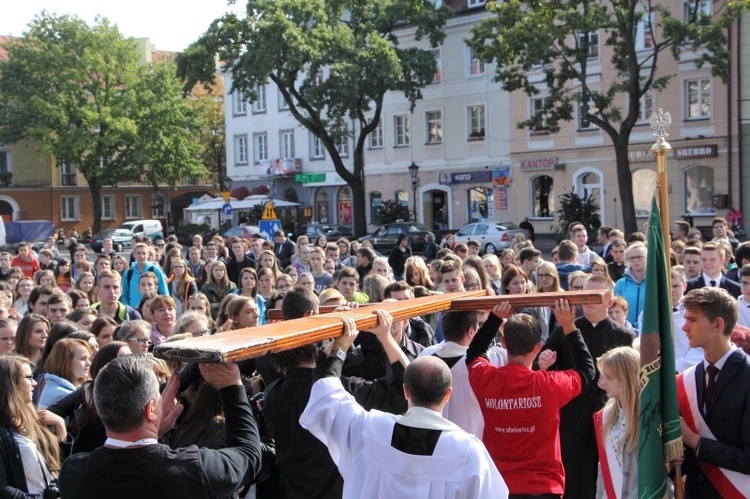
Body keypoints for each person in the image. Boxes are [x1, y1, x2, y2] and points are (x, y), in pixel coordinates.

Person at [300, 335, 508, 498]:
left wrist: (340, 346)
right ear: (448, 394)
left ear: (406, 391)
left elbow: (326, 394)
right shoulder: (467, 450)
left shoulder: (370, 428)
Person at [59, 356, 263, 498]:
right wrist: (232, 386)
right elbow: (248, 453)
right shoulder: (194, 468)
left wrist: (153, 431)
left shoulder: (74, 472)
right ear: (150, 410)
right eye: (159, 396)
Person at [466, 301, 595, 498]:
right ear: (538, 347)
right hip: (543, 487)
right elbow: (586, 371)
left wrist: (495, 318)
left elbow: (474, 354)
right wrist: (569, 326)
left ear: (504, 344)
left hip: (498, 486)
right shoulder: (549, 384)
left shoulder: (487, 379)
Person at [677, 287, 750, 497]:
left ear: (717, 324)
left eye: (692, 320)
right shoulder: (688, 378)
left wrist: (693, 440)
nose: (684, 327)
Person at [419, 310, 506, 438]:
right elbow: (515, 346)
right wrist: (499, 317)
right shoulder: (486, 361)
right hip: (472, 439)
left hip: (432, 438)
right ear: (471, 332)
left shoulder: (425, 355)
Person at [0, 355, 67, 497]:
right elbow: (2, 489)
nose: (34, 383)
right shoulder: (3, 432)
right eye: (28, 377)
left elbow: (55, 464)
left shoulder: (32, 420)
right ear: (11, 384)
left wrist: (60, 426)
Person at [593, 347, 639, 499]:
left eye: (609, 377)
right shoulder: (605, 417)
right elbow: (603, 469)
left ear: (626, 378)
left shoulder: (648, 418)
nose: (602, 382)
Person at [36, 338, 92, 410]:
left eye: (89, 359)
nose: (89, 363)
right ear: (66, 362)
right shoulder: (60, 393)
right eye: (83, 359)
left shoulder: (55, 385)